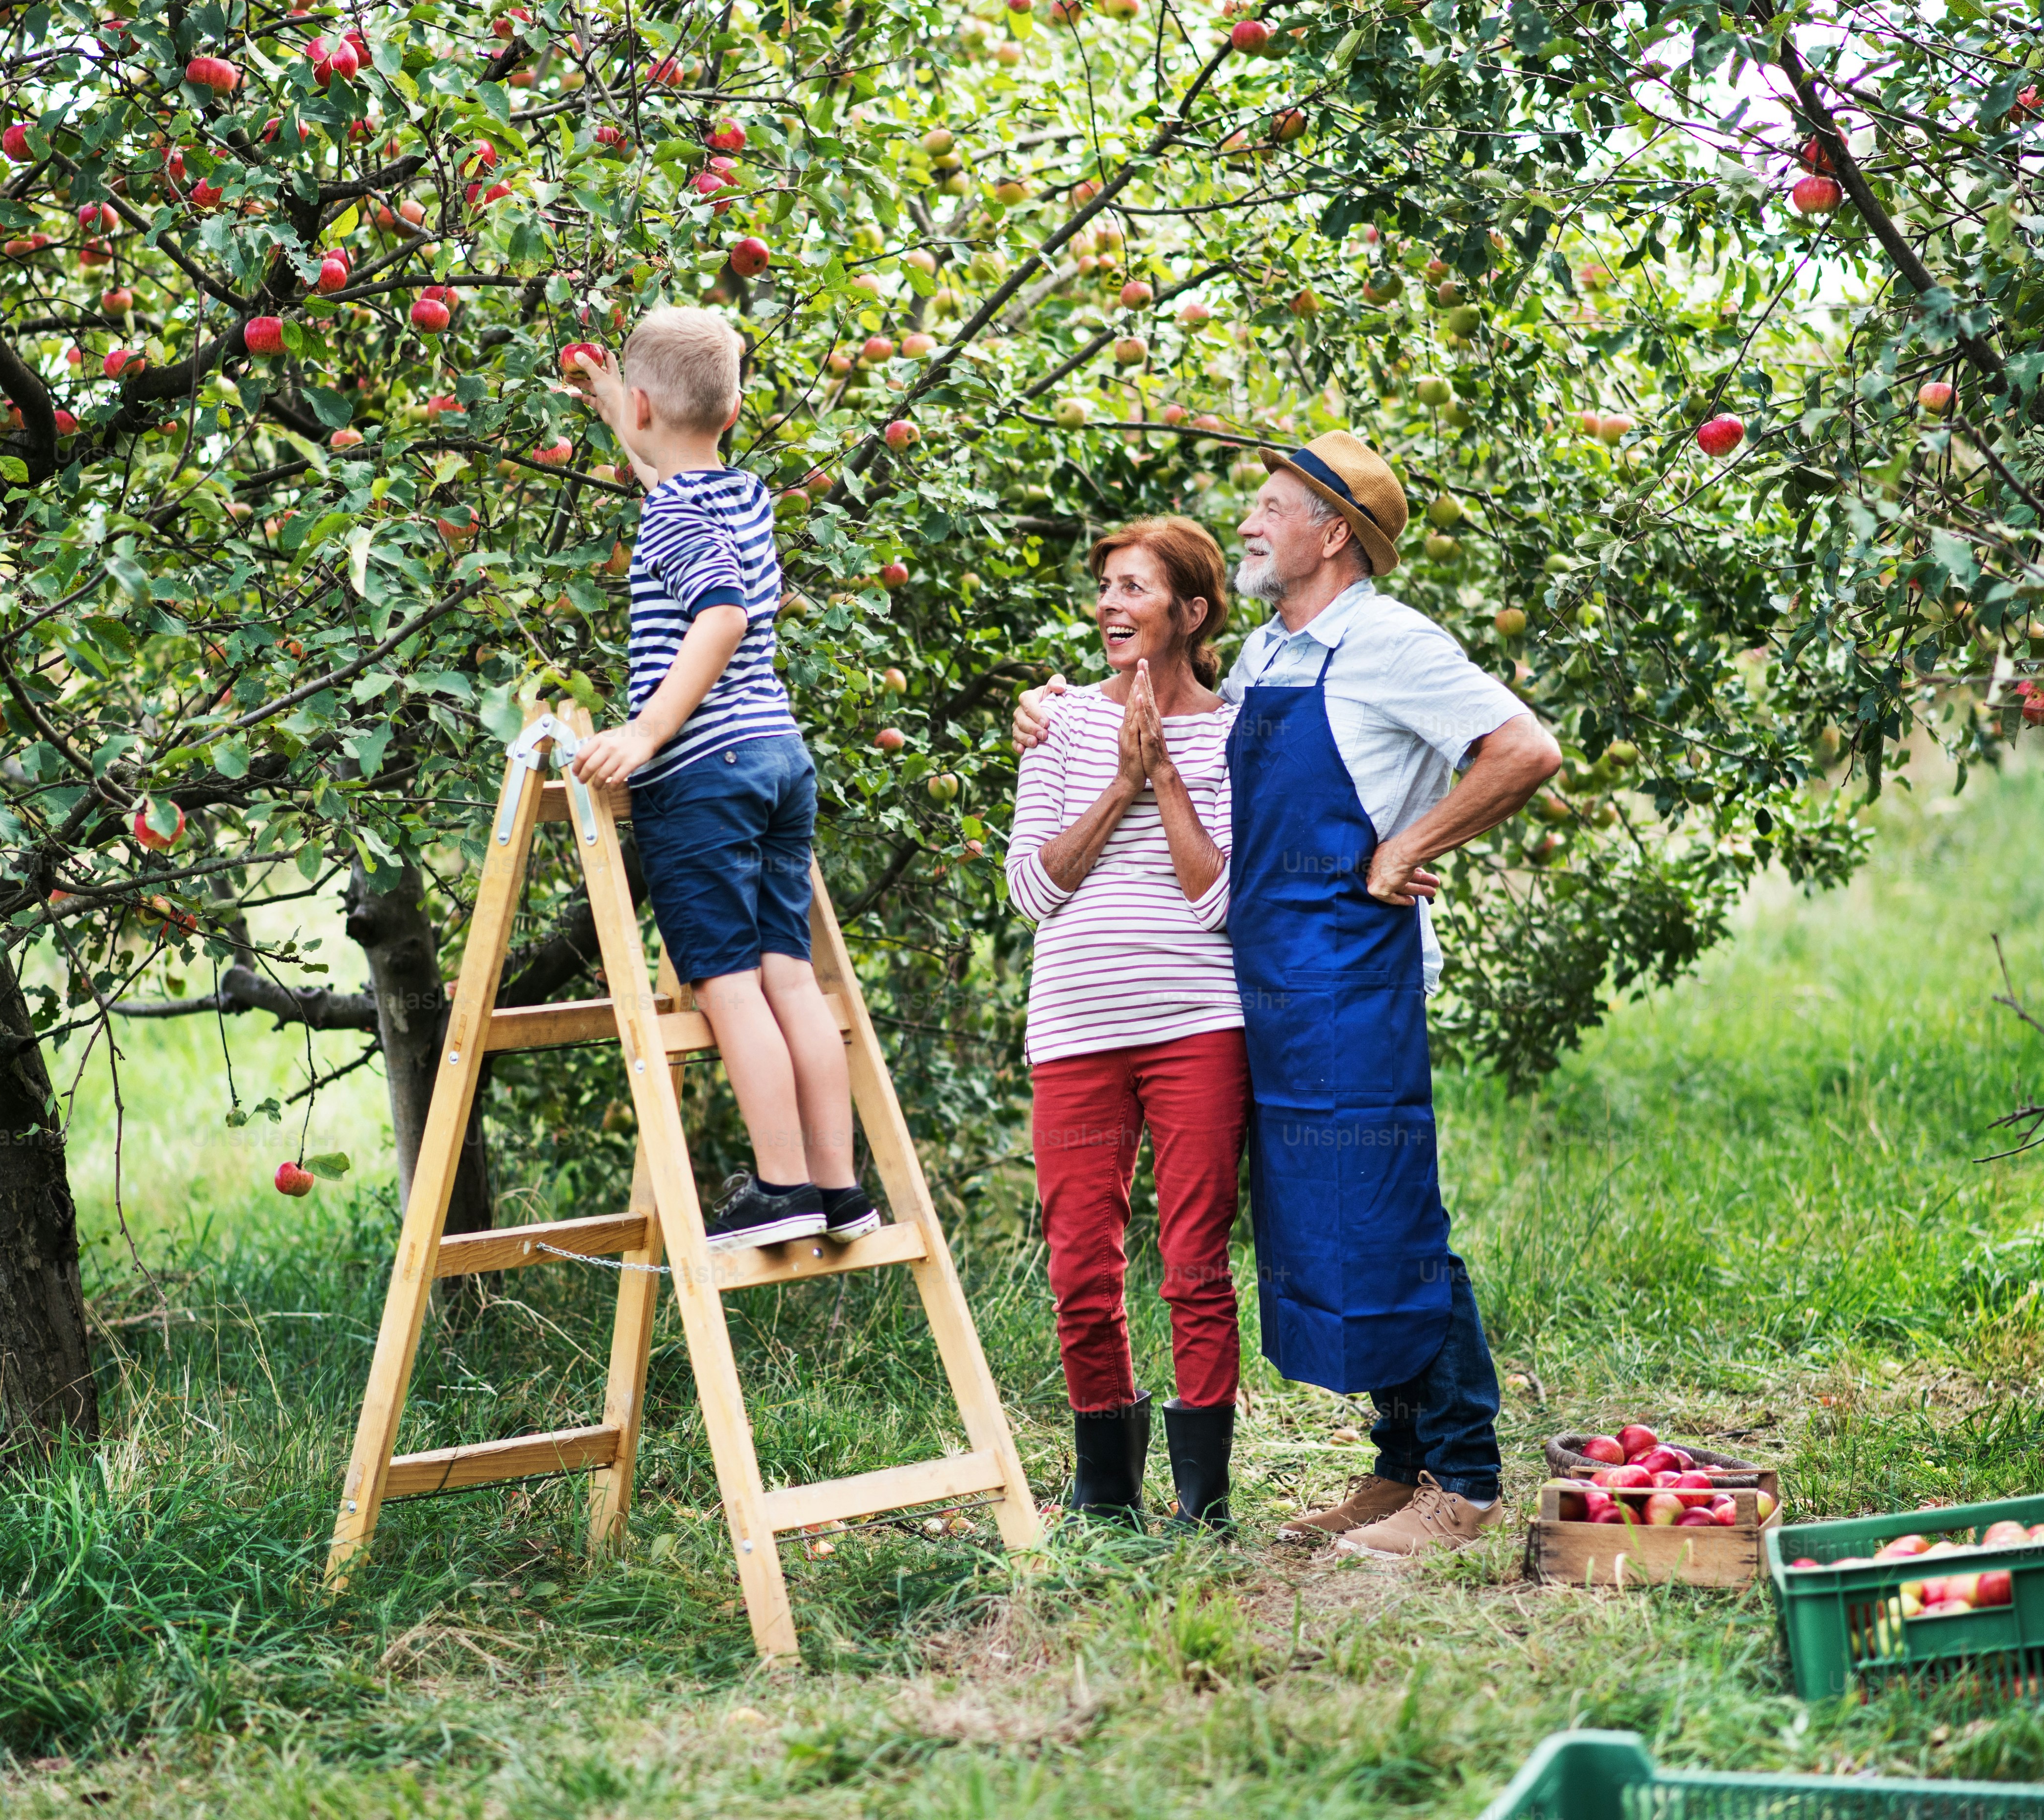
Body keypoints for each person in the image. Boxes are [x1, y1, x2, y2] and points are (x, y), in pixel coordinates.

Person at [1013, 432, 1561, 1558]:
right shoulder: (1269, 654)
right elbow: (1185, 715)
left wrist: (1409, 844)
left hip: (1354, 979)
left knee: (1394, 1219)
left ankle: (1463, 1474)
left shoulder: (1395, 641)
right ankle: (1397, 1462)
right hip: (1270, 978)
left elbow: (1523, 750)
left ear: (1334, 532)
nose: (1252, 524)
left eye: (1272, 507)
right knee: (1328, 1223)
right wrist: (1055, 705)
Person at [565, 307, 881, 1253]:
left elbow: (724, 616)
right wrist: (615, 403)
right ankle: (839, 1189)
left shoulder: (669, 515)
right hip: (780, 760)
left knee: (728, 984)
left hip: (705, 768)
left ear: (652, 403)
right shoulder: (739, 493)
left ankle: (780, 1186)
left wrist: (649, 729)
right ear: (734, 410)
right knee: (791, 978)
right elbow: (665, 462)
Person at [1005, 517, 1245, 1530]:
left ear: (1190, 614)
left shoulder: (1240, 733)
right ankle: (1105, 1487)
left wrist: (1163, 775)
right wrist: (1116, 779)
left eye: (1134, 588)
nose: (1108, 604)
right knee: (1080, 1262)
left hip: (1197, 1019)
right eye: (1105, 586)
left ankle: (1205, 1498)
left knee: (1195, 1257)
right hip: (1074, 1025)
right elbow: (1029, 887)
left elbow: (1221, 897)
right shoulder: (1056, 723)